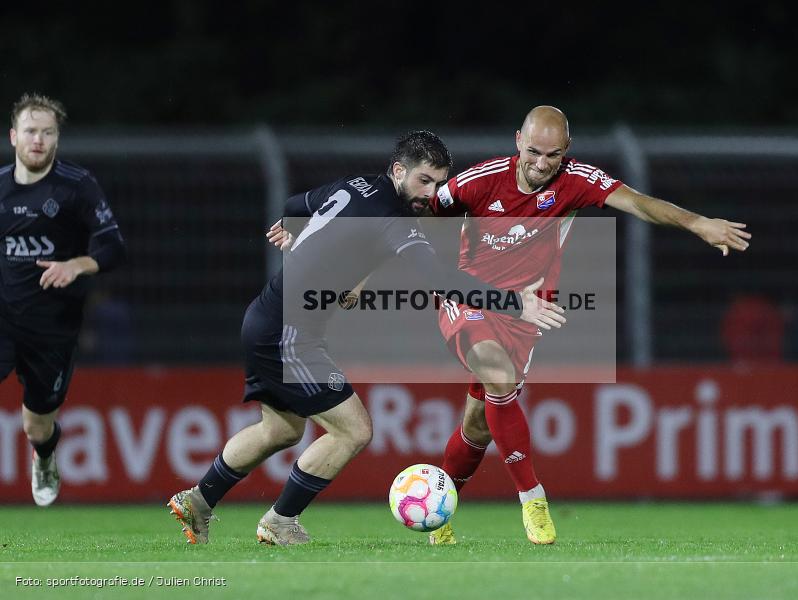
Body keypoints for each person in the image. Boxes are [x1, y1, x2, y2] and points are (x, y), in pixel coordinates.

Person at [168, 131, 564, 546]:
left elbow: (294, 206)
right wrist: (514, 303)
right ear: (399, 170)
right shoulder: (392, 218)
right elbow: (440, 280)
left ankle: (198, 501)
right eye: (423, 181)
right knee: (353, 430)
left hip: (265, 320)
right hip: (288, 335)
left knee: (280, 430)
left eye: (438, 183)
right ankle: (280, 521)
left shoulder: (355, 185)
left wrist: (296, 235)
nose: (431, 193)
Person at [426, 106, 752, 545]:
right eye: (534, 152)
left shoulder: (576, 180)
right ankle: (533, 499)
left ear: (567, 150)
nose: (541, 164)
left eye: (553, 155)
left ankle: (437, 512)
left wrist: (696, 223)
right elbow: (418, 215)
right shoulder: (479, 180)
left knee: (479, 423)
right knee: (497, 374)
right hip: (468, 300)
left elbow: (637, 202)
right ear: (518, 140)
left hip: (526, 316)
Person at [1, 93, 126, 506]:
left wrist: (77, 264)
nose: (38, 140)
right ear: (14, 136)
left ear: (57, 138)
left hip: (52, 327)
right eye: (31, 131)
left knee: (36, 426)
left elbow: (114, 247)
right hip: (4, 316)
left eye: (48, 132)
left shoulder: (76, 186)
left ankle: (44, 456)